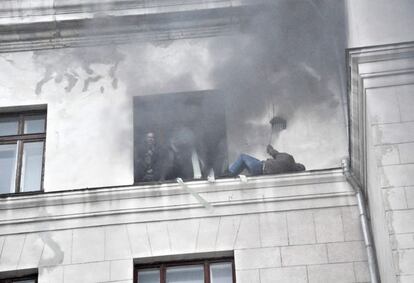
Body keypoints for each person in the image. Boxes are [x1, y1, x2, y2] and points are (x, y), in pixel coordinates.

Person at [228, 145, 305, 176]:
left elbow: (276, 154)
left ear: (298, 164)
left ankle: (229, 174)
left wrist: (270, 149)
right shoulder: (289, 173)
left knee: (243, 157)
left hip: (261, 167)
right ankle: (233, 175)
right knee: (246, 164)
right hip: (261, 172)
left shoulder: (289, 159)